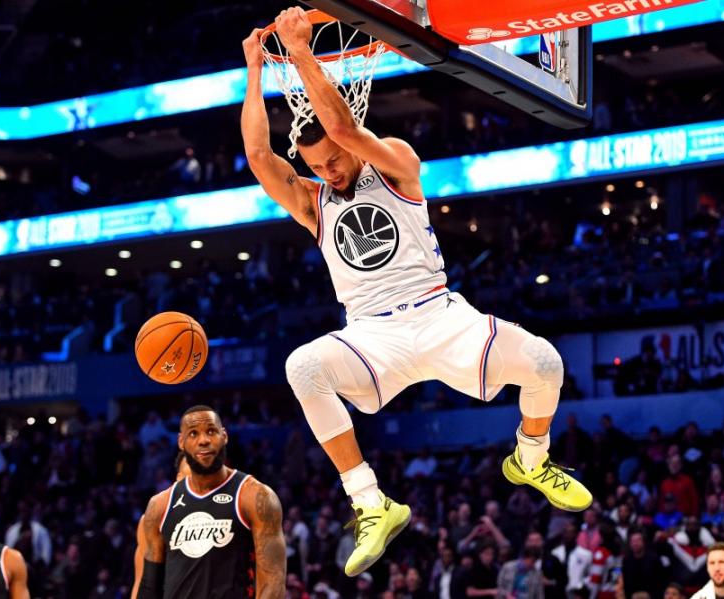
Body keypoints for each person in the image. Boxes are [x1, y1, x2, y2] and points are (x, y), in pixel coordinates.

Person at [240, 5, 592, 577]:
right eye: (316, 165)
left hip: (439, 314)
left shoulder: (396, 161)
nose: (328, 170)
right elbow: (259, 157)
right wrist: (256, 68)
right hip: (373, 331)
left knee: (546, 364)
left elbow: (346, 130)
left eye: (332, 160)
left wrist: (302, 52)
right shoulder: (313, 201)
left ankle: (531, 459)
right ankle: (370, 501)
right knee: (302, 367)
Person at [138, 405, 286, 598]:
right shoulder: (159, 505)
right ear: (181, 442)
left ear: (224, 436)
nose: (203, 441)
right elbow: (150, 587)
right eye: (193, 434)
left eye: (211, 431)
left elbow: (273, 583)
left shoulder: (255, 496)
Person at [131, 451, 192, 599]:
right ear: (178, 479)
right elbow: (141, 580)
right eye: (189, 478)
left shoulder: (230, 516)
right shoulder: (153, 520)